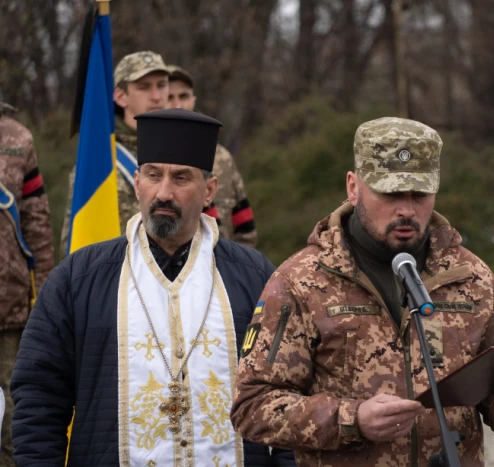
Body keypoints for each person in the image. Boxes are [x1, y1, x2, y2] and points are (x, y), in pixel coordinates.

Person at [231, 117, 494, 466]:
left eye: (419, 195)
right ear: (353, 186)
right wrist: (352, 419)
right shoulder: (299, 282)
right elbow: (252, 407)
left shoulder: (472, 278)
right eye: (390, 193)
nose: (406, 210)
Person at [12, 109, 294, 466]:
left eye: (180, 178)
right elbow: (39, 396)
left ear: (209, 191)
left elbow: (289, 392)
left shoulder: (256, 277)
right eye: (153, 175)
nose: (164, 192)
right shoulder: (79, 278)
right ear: (136, 182)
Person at [60, 50, 170, 256]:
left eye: (161, 86)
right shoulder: (101, 162)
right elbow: (78, 242)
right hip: (119, 278)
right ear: (120, 96)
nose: (156, 96)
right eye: (144, 87)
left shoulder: (181, 149)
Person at [0, 102, 53, 466]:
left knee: (17, 419)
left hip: (12, 304)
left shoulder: (18, 137)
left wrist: (47, 293)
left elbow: (37, 221)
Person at [167, 64, 257, 247]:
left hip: (221, 266)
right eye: (169, 97)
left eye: (183, 96)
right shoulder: (144, 157)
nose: (177, 104)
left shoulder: (221, 158)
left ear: (193, 99)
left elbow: (245, 225)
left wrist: (235, 267)